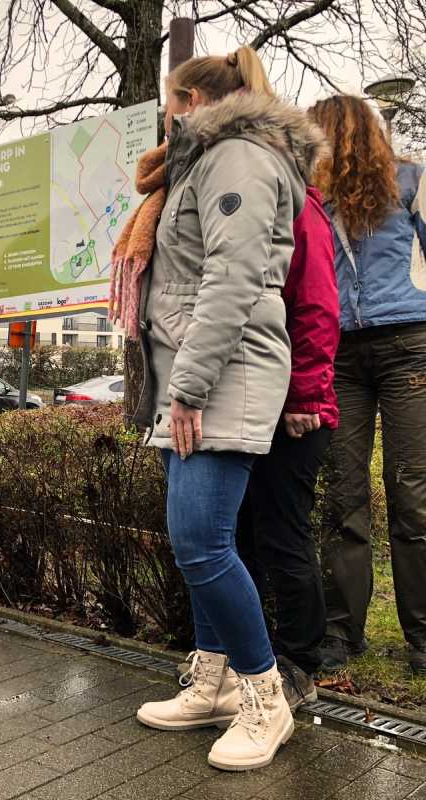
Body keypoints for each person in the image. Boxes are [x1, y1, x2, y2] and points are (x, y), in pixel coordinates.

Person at [118, 47, 326, 771]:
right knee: (200, 539)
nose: (166, 119)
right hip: (201, 372)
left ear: (193, 102)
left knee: (201, 540)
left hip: (221, 376)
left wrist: (191, 385)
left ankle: (262, 698)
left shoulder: (235, 156)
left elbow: (234, 280)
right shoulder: (209, 161)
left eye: (170, 105)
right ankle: (211, 679)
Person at [309, 95, 426, 676]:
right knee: (343, 496)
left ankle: (423, 638)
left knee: (413, 496)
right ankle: (341, 633)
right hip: (343, 354)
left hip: (410, 346)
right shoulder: (314, 198)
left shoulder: (412, 181)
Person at [235, 185, 340, 709]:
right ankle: (250, 662)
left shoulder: (300, 207)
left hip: (294, 411)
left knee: (283, 535)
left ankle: (299, 665)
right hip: (249, 402)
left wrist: (307, 394)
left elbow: (318, 305)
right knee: (241, 537)